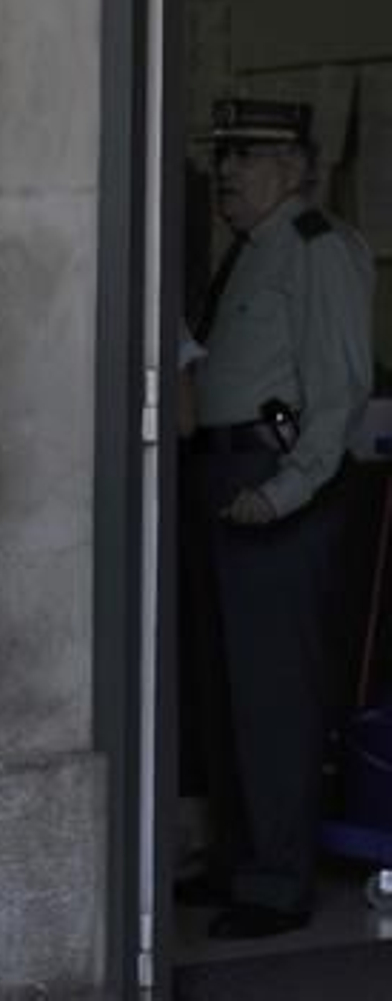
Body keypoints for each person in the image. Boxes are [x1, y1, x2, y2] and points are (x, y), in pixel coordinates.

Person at [179, 97, 373, 939]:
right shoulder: (252, 251)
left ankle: (276, 879)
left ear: (294, 168)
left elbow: (338, 392)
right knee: (225, 687)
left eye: (248, 154)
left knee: (274, 692)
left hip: (276, 483)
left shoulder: (317, 249)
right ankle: (238, 858)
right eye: (224, 153)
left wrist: (285, 490)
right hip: (223, 475)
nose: (227, 170)